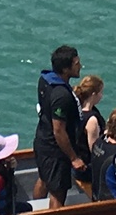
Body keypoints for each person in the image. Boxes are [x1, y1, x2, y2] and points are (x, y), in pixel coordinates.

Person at [35, 46, 91, 205]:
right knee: (58, 191)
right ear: (66, 69)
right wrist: (74, 158)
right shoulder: (62, 96)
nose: (80, 66)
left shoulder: (45, 80)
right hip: (55, 151)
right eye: (76, 63)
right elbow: (59, 130)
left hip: (42, 141)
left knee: (44, 179)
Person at [72, 74, 106, 198]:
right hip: (87, 169)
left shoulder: (76, 111)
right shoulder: (91, 120)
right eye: (100, 93)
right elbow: (95, 150)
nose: (101, 96)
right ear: (93, 94)